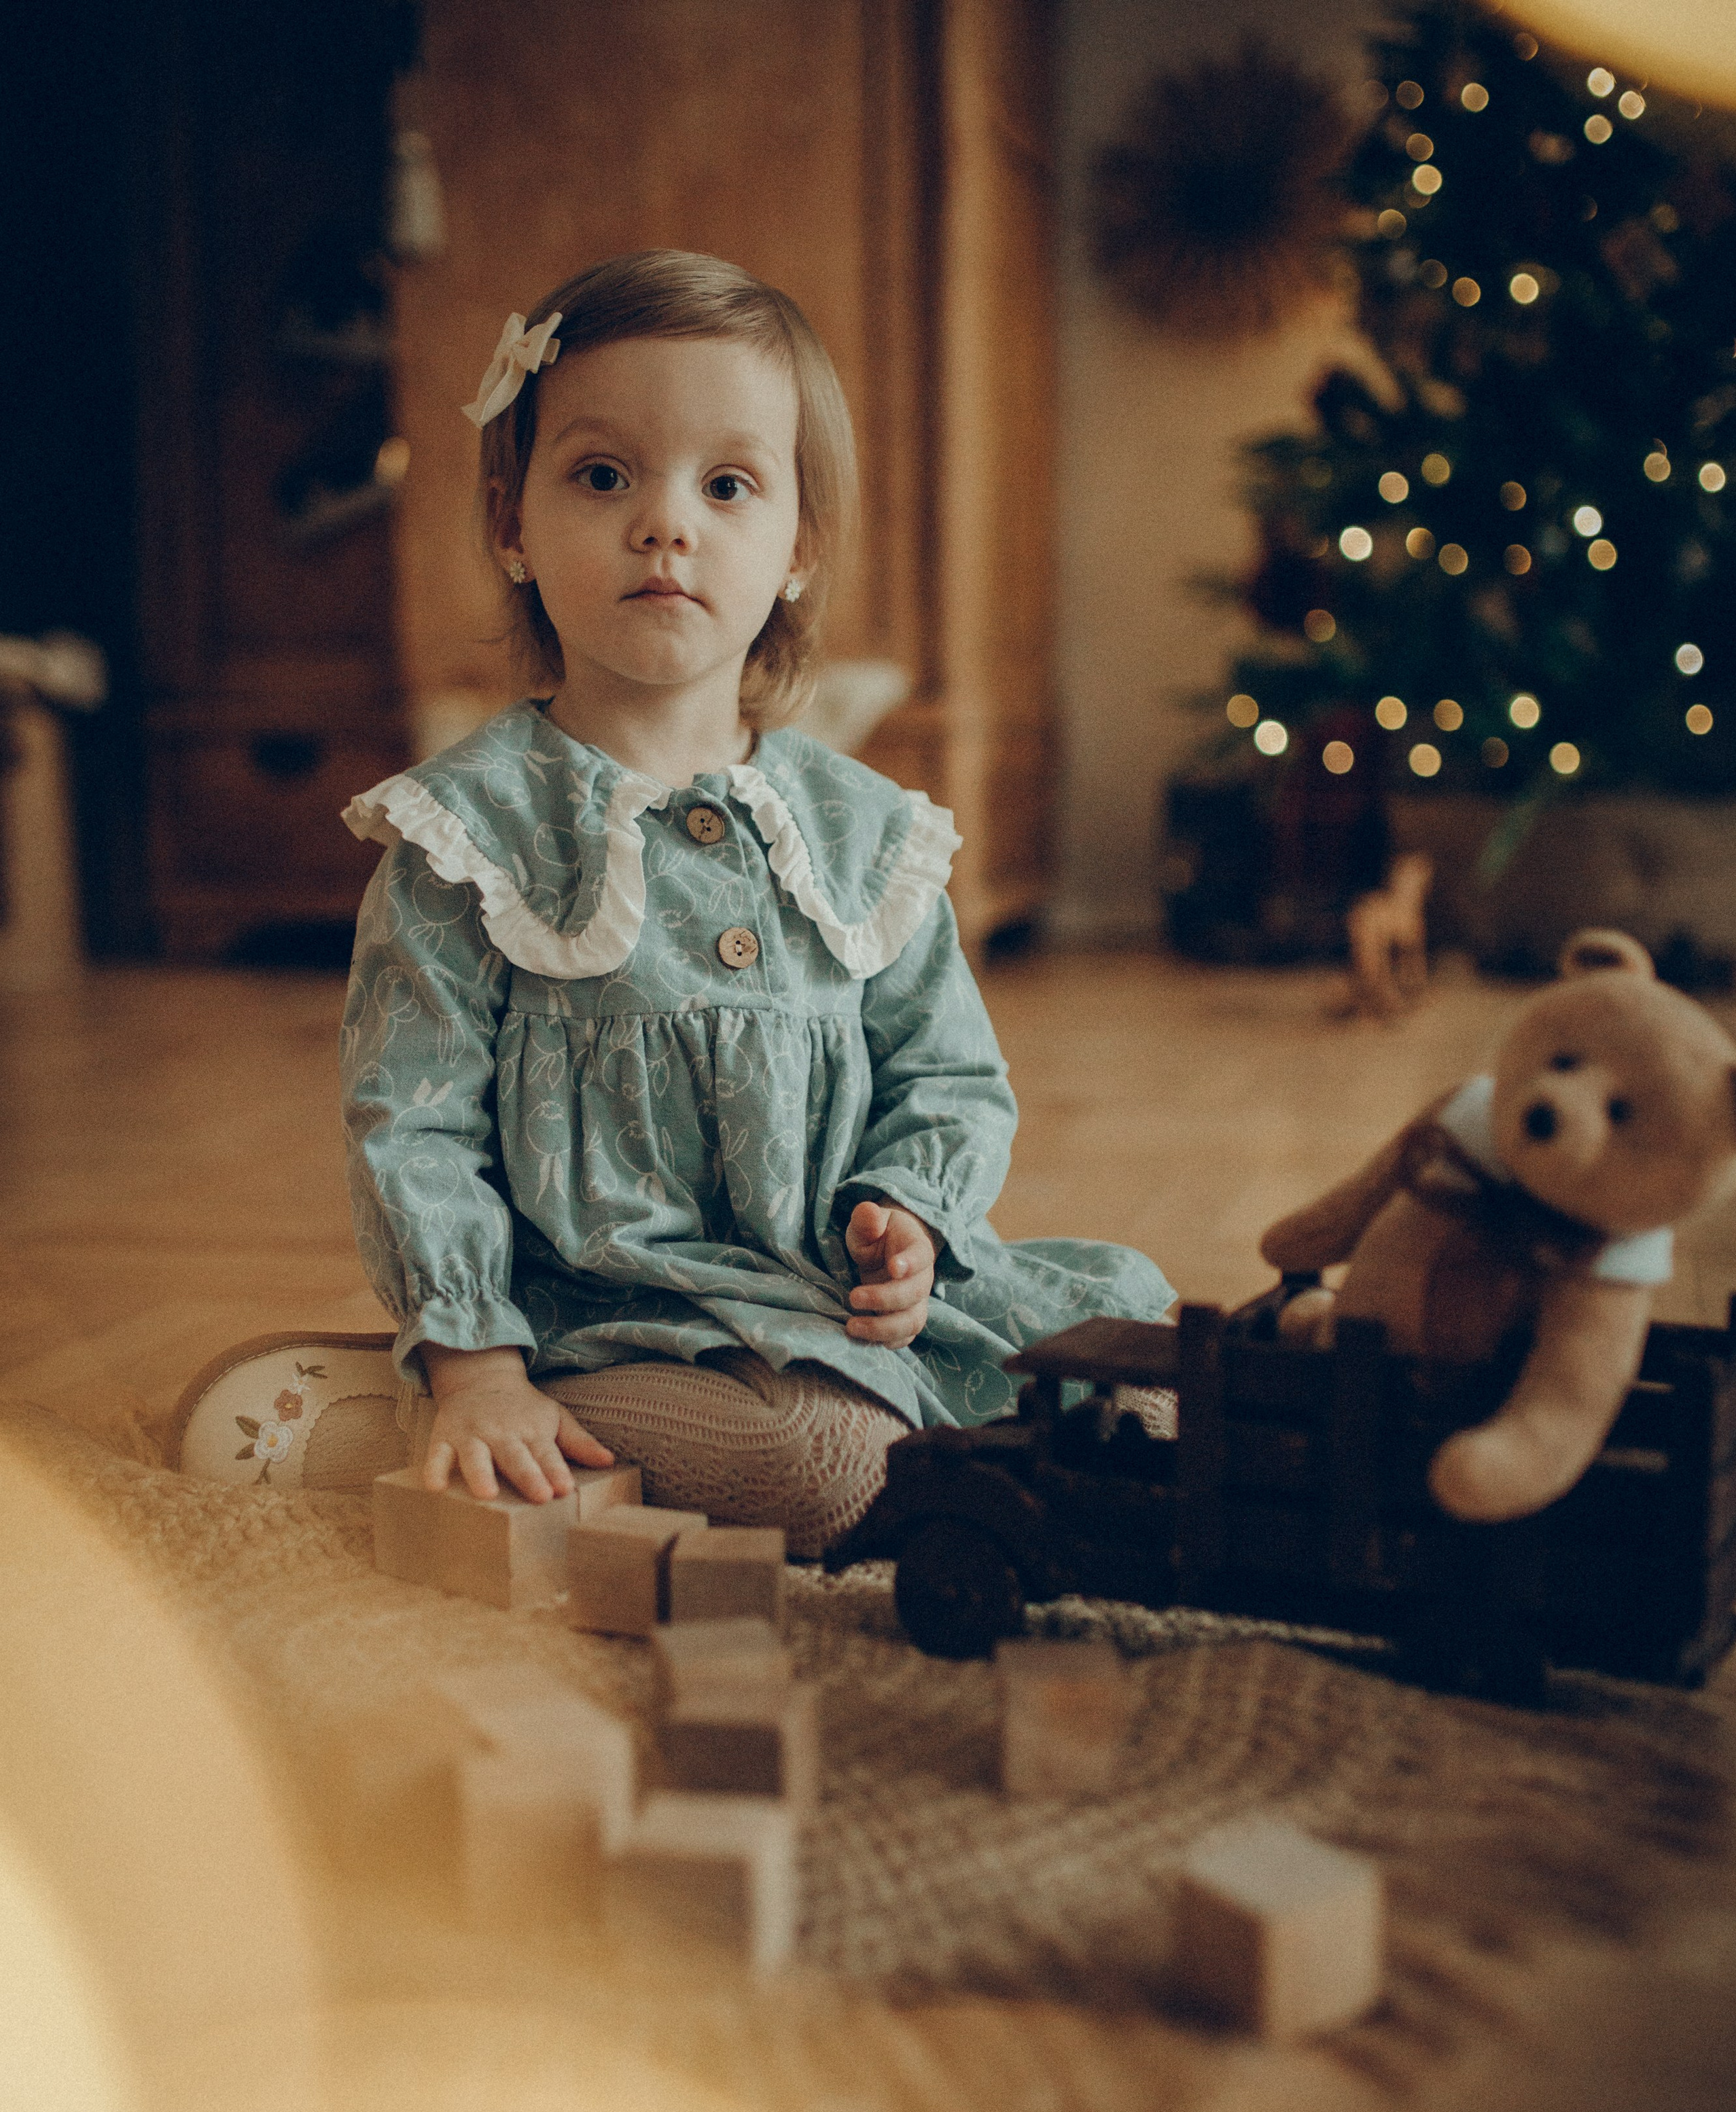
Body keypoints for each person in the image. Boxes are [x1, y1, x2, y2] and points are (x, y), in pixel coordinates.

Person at [326, 249, 1173, 1554]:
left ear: (798, 547)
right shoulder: (468, 840)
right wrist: (476, 1363)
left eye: (727, 486)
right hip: (610, 1316)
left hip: (831, 1302)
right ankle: (449, 1413)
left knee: (1144, 1360)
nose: (666, 524)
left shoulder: (864, 834)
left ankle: (963, 1458)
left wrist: (910, 1224)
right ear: (510, 524)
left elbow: (948, 1074)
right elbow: (413, 1127)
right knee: (822, 1464)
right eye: (602, 476)